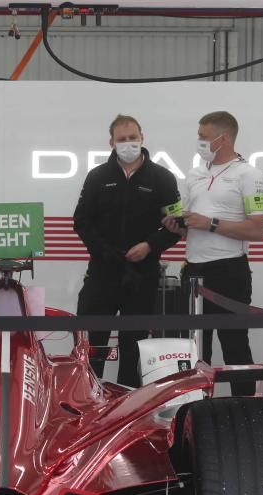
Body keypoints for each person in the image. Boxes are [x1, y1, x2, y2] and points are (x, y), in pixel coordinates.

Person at [162, 111, 263, 396]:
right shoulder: (195, 174)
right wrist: (179, 226)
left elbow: (258, 229)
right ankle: (195, 414)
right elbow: (191, 224)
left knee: (235, 344)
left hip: (230, 270)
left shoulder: (249, 175)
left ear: (224, 139)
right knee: (195, 348)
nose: (199, 142)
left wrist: (212, 224)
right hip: (194, 271)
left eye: (204, 137)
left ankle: (246, 414)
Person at [73, 114, 183, 387]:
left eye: (133, 138)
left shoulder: (163, 178)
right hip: (102, 273)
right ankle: (88, 400)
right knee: (91, 343)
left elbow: (176, 226)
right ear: (111, 142)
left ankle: (128, 404)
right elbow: (82, 223)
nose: (128, 143)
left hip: (142, 276)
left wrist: (150, 246)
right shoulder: (97, 177)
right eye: (122, 139)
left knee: (134, 345)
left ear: (142, 138)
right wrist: (104, 252)